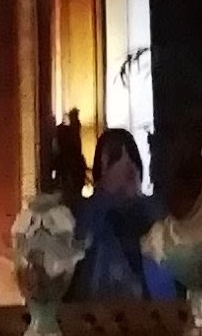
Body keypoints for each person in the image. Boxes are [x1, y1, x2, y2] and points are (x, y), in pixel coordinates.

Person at [70, 126, 175, 303]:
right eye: (116, 157)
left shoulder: (154, 211)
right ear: (103, 165)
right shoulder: (85, 213)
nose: (128, 164)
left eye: (132, 156)